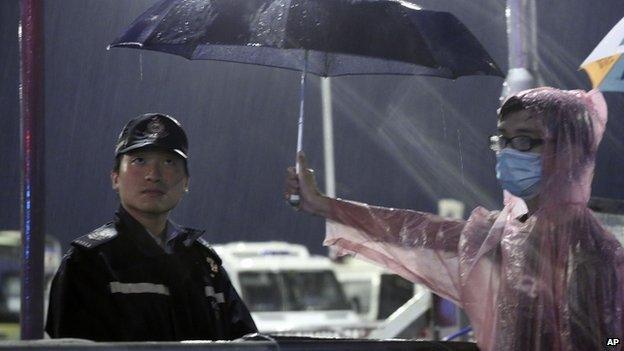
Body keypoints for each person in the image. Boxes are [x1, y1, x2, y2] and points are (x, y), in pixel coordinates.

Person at [285, 87, 624, 351]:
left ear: (568, 149)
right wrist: (325, 206)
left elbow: (614, 338)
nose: (508, 152)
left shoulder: (595, 253)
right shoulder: (508, 236)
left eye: (522, 140)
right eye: (502, 140)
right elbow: (417, 231)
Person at [46, 113, 257, 341]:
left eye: (168, 162)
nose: (153, 175)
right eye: (139, 161)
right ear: (115, 177)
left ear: (186, 181)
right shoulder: (89, 262)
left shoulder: (204, 264)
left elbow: (246, 340)